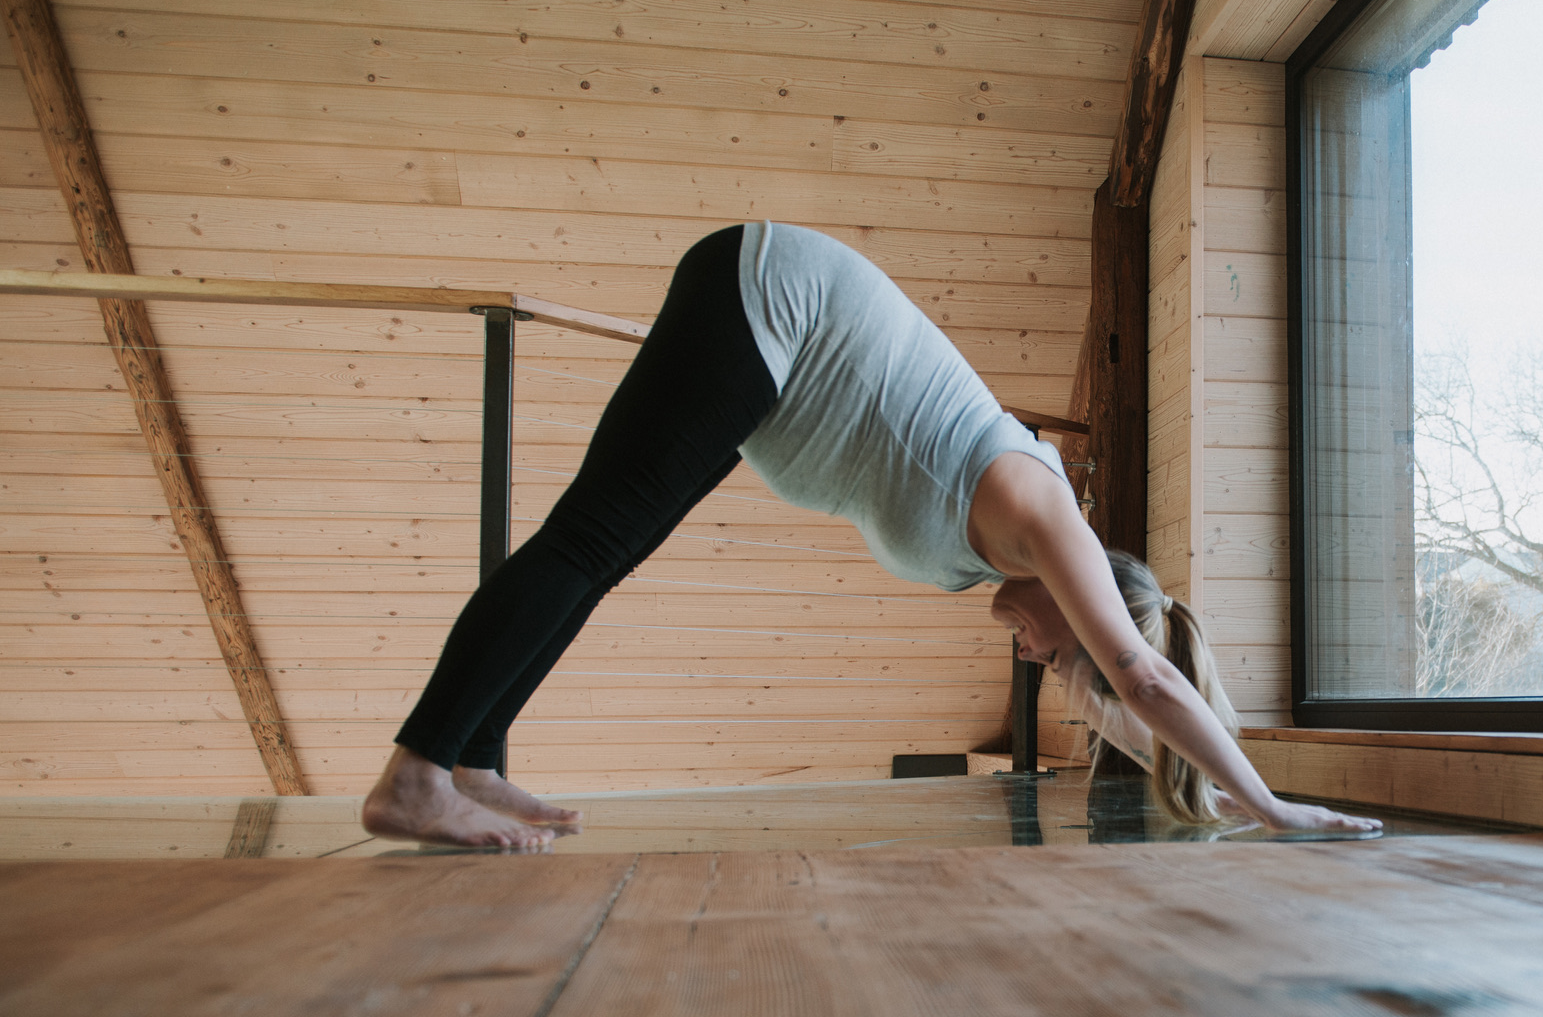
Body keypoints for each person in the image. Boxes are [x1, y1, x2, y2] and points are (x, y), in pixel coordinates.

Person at [360, 222, 1381, 848]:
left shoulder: (1011, 553)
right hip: (770, 301)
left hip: (767, 339)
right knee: (590, 544)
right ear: (1084, 601)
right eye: (1056, 649)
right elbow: (1150, 685)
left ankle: (474, 760)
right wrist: (1267, 804)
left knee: (598, 550)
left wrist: (1161, 761)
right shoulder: (1044, 515)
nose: (1031, 656)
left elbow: (1130, 708)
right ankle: (420, 771)